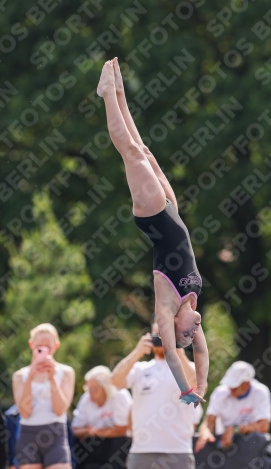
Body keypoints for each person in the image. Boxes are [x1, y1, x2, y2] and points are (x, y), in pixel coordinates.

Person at [97, 58, 208, 406]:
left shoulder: (168, 305)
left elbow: (176, 356)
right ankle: (117, 91)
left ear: (175, 326)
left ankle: (105, 95)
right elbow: (202, 356)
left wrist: (185, 389)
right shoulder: (192, 303)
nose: (193, 332)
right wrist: (202, 387)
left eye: (186, 334)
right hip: (170, 210)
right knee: (143, 149)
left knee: (129, 152)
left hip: (154, 216)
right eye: (193, 334)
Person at [111, 316, 202, 469]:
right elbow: (114, 381)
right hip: (142, 451)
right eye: (158, 333)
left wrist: (177, 350)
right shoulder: (140, 369)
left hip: (178, 452)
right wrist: (136, 352)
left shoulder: (187, 367)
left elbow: (196, 383)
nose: (161, 338)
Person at [12, 323, 75, 469]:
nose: (44, 350)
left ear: (56, 346)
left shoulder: (66, 372)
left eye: (48, 346)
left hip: (56, 435)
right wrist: (31, 376)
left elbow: (60, 408)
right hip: (28, 437)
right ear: (32, 345)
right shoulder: (20, 376)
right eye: (40, 346)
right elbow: (24, 411)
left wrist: (52, 377)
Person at [195, 361, 271, 451]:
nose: (231, 389)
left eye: (235, 386)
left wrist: (235, 429)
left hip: (251, 446)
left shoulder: (260, 392)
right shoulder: (220, 393)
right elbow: (209, 422)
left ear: (246, 384)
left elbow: (263, 426)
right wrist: (205, 433)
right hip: (223, 444)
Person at [72, 365, 132, 439]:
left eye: (93, 389)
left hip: (119, 442)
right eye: (87, 388)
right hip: (94, 442)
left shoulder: (120, 395)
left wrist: (96, 431)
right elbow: (75, 430)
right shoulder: (86, 397)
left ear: (105, 388)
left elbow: (122, 430)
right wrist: (88, 431)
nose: (89, 392)